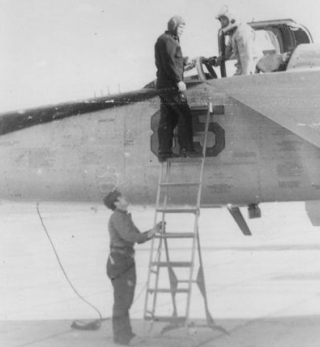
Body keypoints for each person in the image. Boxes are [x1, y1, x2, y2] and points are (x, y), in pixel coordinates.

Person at [103, 190, 162, 345]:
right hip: (119, 262)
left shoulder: (124, 217)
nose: (125, 198)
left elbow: (138, 237)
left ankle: (126, 334)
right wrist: (150, 233)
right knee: (122, 300)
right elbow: (130, 237)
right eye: (121, 197)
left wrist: (152, 231)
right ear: (116, 203)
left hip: (126, 261)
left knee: (126, 299)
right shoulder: (117, 217)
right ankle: (121, 338)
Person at [154, 15, 198, 162]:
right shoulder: (168, 40)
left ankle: (164, 152)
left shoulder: (166, 39)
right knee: (184, 114)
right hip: (171, 85)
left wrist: (184, 62)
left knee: (169, 118)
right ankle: (187, 148)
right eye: (180, 27)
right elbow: (169, 63)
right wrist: (178, 80)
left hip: (164, 85)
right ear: (173, 26)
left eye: (183, 28)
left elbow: (172, 61)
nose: (182, 31)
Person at [215, 5, 263, 75]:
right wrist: (217, 59)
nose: (222, 23)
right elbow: (227, 53)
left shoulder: (242, 32)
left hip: (253, 67)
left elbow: (247, 58)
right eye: (221, 20)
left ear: (231, 18)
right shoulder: (234, 33)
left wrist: (244, 78)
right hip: (244, 67)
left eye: (224, 19)